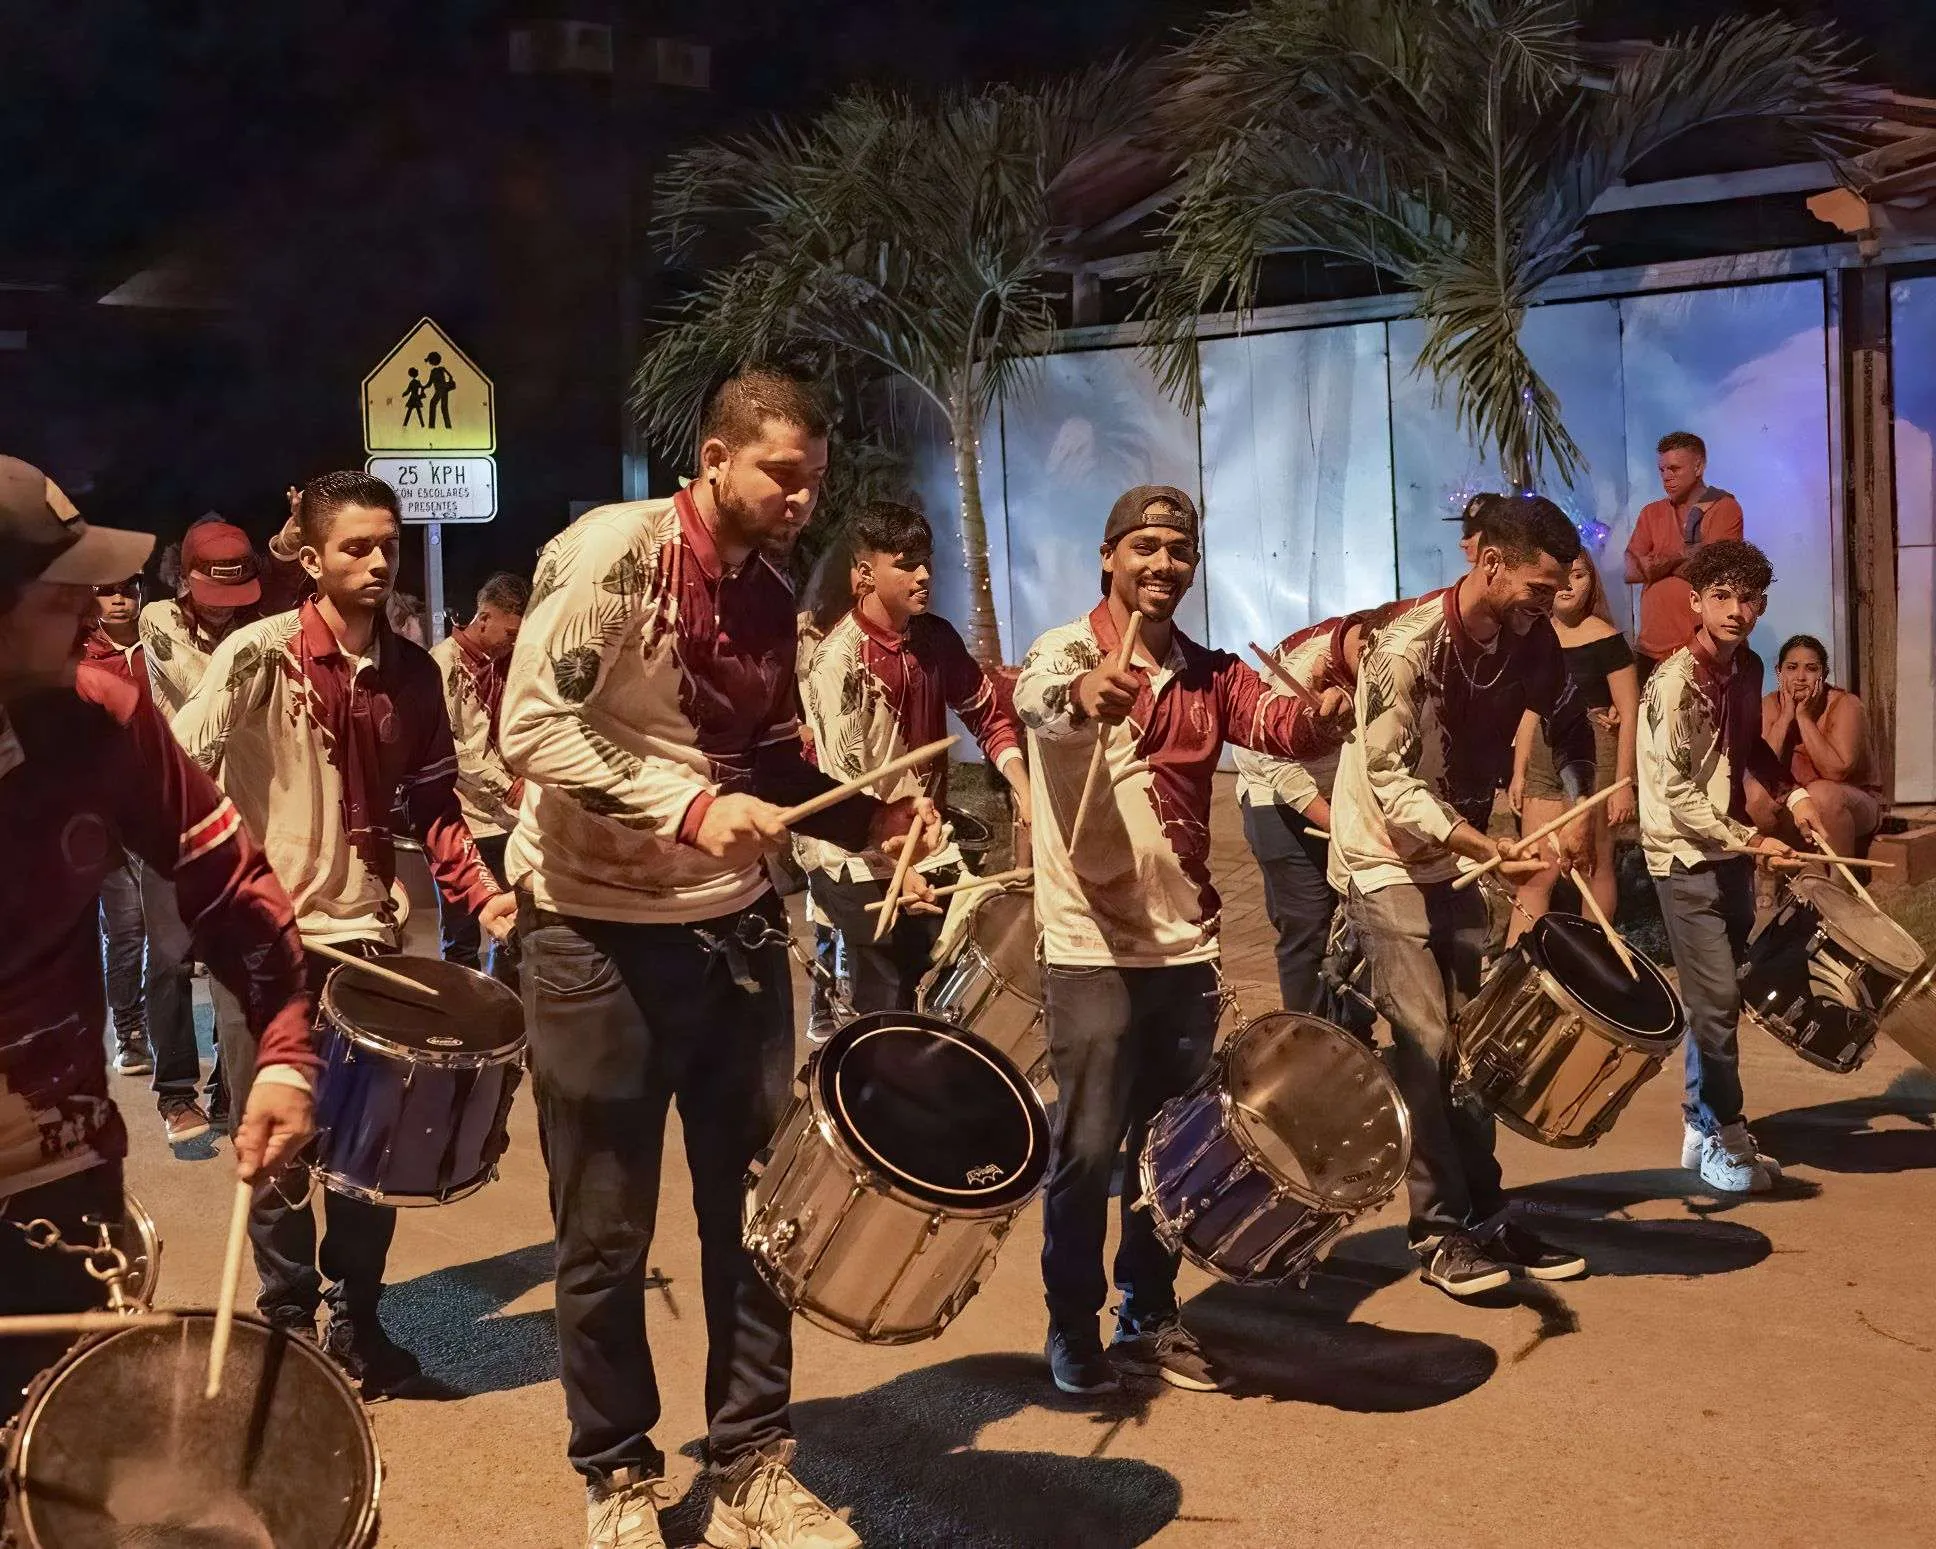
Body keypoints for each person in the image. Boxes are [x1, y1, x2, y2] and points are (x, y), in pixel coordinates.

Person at [500, 367, 938, 1549]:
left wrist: (872, 817)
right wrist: (689, 811)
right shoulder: (614, 555)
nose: (802, 498)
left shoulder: (770, 586)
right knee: (603, 1231)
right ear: (714, 459)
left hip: (732, 929)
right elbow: (531, 727)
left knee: (756, 1214)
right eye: (782, 474)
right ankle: (618, 1474)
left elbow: (778, 759)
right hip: (591, 929)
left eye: (815, 480)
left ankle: (750, 1461)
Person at [174, 470, 516, 1396]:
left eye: (387, 546)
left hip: (367, 936)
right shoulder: (257, 653)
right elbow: (179, 765)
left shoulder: (412, 673)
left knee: (374, 1149)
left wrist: (480, 890)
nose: (375, 561)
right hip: (264, 938)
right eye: (355, 547)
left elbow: (436, 801)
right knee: (279, 1141)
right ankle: (286, 1319)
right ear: (313, 558)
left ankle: (356, 1316)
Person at [1014, 483, 1351, 1398]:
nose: (1164, 563)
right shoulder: (1067, 650)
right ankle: (1070, 1325)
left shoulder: (1209, 673)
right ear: (1109, 556)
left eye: (1180, 550)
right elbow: (1035, 700)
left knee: (1170, 1152)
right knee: (1086, 1147)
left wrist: (1322, 714)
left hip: (1184, 949)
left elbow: (1275, 724)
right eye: (1146, 546)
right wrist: (1089, 692)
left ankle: (1149, 1311)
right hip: (1089, 942)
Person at [0, 455, 316, 1422]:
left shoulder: (105, 716)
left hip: (51, 1178)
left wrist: (284, 1054)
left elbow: (231, 885)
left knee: (59, 1471)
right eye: (64, 598)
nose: (96, 621)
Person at [1330, 495, 1599, 1298]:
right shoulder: (1406, 647)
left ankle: (1486, 1214)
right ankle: (1440, 1230)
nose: (1547, 606)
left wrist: (1578, 803)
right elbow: (1386, 778)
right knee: (1425, 1039)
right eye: (1538, 588)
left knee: (1471, 1047)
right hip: (1384, 859)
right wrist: (1481, 846)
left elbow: (1569, 722)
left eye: (1556, 593)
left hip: (1458, 858)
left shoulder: (1532, 639)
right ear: (1489, 564)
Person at [1640, 541, 1830, 1193]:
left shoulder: (1747, 668)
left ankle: (1701, 1125)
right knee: (1717, 999)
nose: (1736, 609)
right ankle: (1725, 1131)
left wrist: (1796, 798)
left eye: (1747, 598)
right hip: (1683, 851)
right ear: (1695, 602)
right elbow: (1675, 793)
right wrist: (1752, 840)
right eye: (1721, 595)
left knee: (1716, 996)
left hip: (1726, 849)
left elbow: (1747, 745)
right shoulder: (1673, 682)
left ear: (1762, 605)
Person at [801, 501, 1029, 1014]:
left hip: (923, 842)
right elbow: (845, 785)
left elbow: (986, 714)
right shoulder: (839, 660)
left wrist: (1025, 788)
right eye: (905, 564)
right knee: (890, 1004)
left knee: (962, 972)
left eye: (926, 560)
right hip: (853, 853)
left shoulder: (935, 638)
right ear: (864, 573)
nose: (924, 574)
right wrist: (899, 872)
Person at [138, 517, 266, 1139]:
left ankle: (227, 1086)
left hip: (236, 817)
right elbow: (201, 693)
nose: (223, 614)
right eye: (213, 598)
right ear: (183, 579)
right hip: (166, 817)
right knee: (168, 959)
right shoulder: (157, 621)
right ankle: (174, 1093)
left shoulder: (256, 628)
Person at [1233, 609, 1373, 1013]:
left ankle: (1353, 1037)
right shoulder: (1296, 674)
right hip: (1274, 798)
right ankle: (1308, 1045)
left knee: (1366, 919)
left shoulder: (1386, 659)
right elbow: (1277, 767)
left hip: (1344, 792)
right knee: (1308, 925)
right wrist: (1342, 827)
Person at [1506, 547, 1640, 937]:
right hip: (1543, 752)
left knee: (1591, 861)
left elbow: (1628, 711)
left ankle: (1590, 961)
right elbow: (1530, 708)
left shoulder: (1608, 639)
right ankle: (1522, 963)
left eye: (1579, 575)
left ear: (1592, 582)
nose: (1568, 585)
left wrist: (1622, 785)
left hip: (1593, 749)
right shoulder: (1535, 636)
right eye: (1561, 575)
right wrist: (1518, 770)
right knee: (1535, 868)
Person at [429, 571, 529, 978]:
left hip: (510, 822)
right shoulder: (441, 663)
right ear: (484, 617)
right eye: (509, 632)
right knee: (461, 933)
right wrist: (508, 788)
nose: (514, 641)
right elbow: (450, 748)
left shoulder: (509, 666)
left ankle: (507, 1010)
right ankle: (463, 1022)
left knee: (514, 925)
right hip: (462, 822)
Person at [84, 574, 155, 1079]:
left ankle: (166, 1032)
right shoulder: (78, 655)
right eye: (106, 591)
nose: (117, 600)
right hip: (104, 817)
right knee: (127, 930)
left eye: (126, 591)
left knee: (172, 936)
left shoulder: (163, 646)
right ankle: (130, 1034)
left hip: (163, 810)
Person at [1750, 633, 1885, 859]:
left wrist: (1803, 718)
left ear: (1823, 674)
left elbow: (1836, 771)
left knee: (1821, 793)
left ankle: (1839, 884)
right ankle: (1772, 880)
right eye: (1792, 668)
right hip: (1797, 804)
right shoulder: (1770, 704)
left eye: (1811, 669)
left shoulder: (1845, 705)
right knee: (1755, 794)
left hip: (1853, 805)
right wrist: (1785, 718)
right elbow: (1764, 768)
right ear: (1778, 672)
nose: (1800, 677)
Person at [1624, 431, 1744, 683]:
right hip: (1650, 650)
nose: (1667, 477)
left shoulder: (1723, 507)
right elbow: (1630, 571)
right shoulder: (1651, 513)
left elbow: (1713, 570)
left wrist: (1654, 564)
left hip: (1703, 648)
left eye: (1674, 469)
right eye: (1662, 470)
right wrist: (1681, 555)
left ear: (1698, 467)